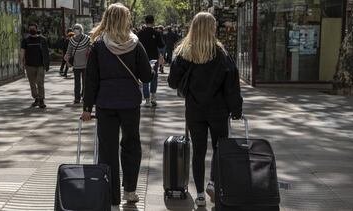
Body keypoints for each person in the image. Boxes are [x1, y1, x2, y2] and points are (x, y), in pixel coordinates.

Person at [81, 3, 153, 208]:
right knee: (131, 145)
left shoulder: (98, 46)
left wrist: (87, 108)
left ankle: (111, 195)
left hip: (105, 104)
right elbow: (147, 76)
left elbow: (91, 80)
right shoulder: (135, 44)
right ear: (125, 20)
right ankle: (130, 190)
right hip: (130, 103)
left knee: (108, 149)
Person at [168, 12, 243, 207]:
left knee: (198, 151)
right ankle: (213, 182)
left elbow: (172, 81)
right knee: (220, 148)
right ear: (211, 28)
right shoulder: (221, 53)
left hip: (194, 109)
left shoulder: (184, 52)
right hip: (218, 109)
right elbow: (232, 85)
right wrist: (236, 109)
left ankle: (200, 194)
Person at [137, 15, 165, 107]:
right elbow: (161, 45)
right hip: (154, 58)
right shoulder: (156, 33)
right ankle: (153, 97)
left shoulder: (140, 33)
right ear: (153, 22)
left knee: (145, 77)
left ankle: (147, 100)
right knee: (154, 77)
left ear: (145, 22)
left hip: (143, 58)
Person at [21, 23, 50, 109]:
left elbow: (46, 53)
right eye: (30, 28)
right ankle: (36, 98)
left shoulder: (42, 40)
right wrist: (21, 62)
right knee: (32, 83)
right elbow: (22, 51)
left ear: (37, 29)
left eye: (33, 28)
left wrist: (47, 65)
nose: (32, 30)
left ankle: (41, 99)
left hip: (40, 65)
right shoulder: (25, 40)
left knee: (40, 82)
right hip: (29, 65)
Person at [64, 24, 90, 104]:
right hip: (76, 65)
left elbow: (91, 50)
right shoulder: (71, 40)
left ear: (81, 29)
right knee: (77, 82)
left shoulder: (87, 39)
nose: (76, 30)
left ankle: (85, 96)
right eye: (74, 28)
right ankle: (77, 98)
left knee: (85, 82)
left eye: (77, 28)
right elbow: (68, 52)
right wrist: (67, 62)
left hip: (86, 64)